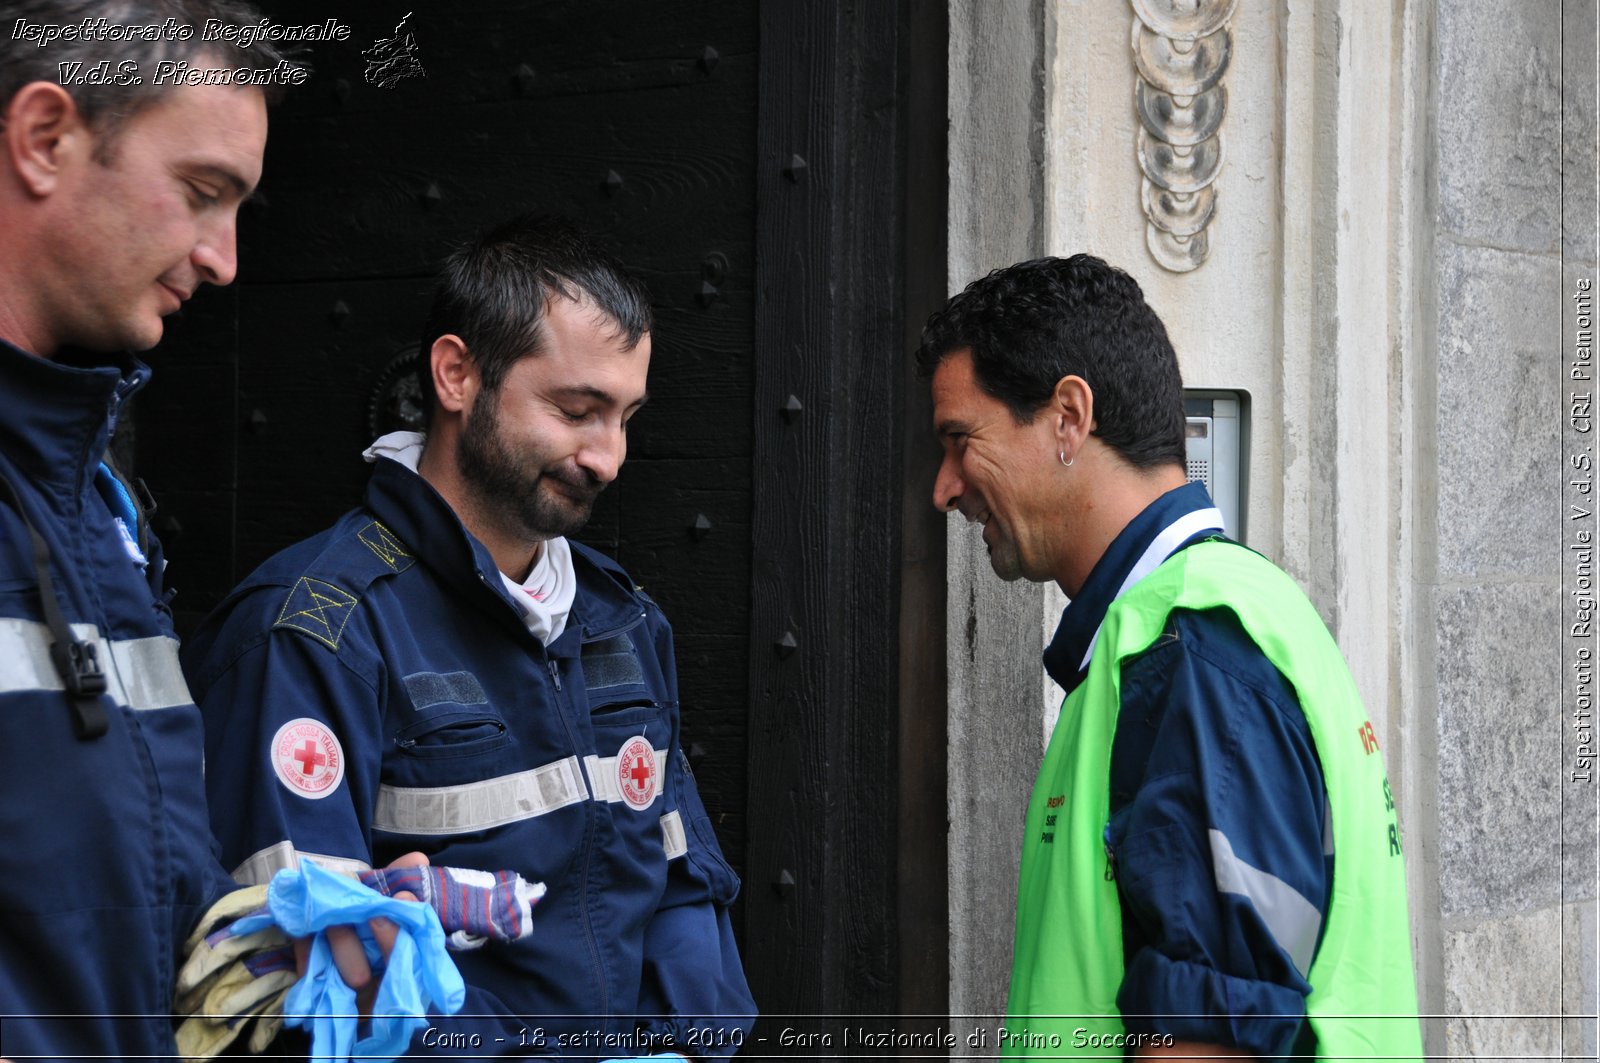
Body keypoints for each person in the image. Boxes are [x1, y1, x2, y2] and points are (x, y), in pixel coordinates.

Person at [182, 214, 757, 1057]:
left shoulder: (623, 621)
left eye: (627, 416)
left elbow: (680, 884)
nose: (608, 457)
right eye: (576, 409)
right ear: (456, 374)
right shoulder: (312, 632)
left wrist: (694, 1044)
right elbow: (303, 992)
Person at [0, 2, 434, 1057]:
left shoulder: (92, 505)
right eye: (204, 193)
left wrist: (286, 947)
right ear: (46, 137)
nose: (227, 257)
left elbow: (113, 915)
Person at [919, 255, 1423, 1060]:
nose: (944, 487)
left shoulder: (1187, 648)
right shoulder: (1219, 621)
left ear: (1068, 417)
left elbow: (1211, 1041)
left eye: (960, 439)